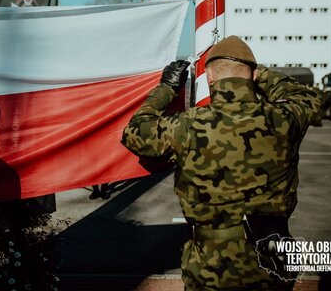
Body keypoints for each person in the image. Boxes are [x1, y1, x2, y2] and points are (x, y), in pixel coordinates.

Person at [122, 36, 320, 291]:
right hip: (273, 260)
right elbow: (304, 96)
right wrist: (260, 74)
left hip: (211, 267)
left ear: (210, 77)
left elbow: (134, 131)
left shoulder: (187, 125)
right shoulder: (285, 119)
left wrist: (167, 88)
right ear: (254, 75)